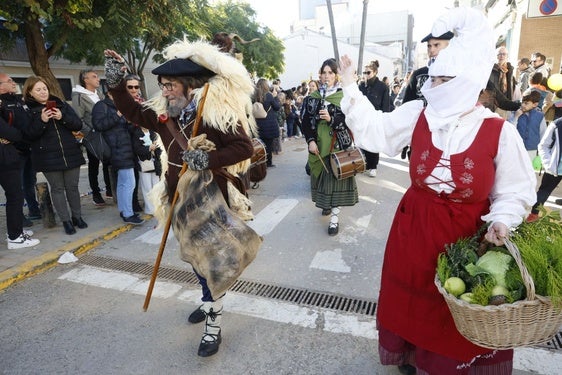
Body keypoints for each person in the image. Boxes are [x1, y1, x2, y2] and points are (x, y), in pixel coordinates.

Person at [339, 7, 536, 374]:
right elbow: (377, 132)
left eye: (446, 81)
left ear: (468, 81)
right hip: (413, 229)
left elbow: (515, 190)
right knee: (413, 301)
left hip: (467, 236)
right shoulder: (418, 113)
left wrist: (503, 220)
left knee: (457, 308)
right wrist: (350, 84)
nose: (434, 87)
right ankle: (411, 354)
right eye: (435, 78)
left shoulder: (498, 131)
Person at [103, 37, 255, 357]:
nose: (165, 90)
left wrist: (208, 160)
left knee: (210, 263)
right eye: (162, 84)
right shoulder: (163, 113)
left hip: (211, 199)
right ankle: (207, 299)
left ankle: (213, 323)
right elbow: (131, 111)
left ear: (189, 85)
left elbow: (243, 148)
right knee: (196, 260)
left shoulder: (216, 113)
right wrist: (116, 85)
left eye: (170, 84)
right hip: (178, 199)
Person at [23, 76, 87, 235]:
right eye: (38, 89)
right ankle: (65, 220)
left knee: (72, 187)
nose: (43, 92)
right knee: (57, 189)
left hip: (70, 152)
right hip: (47, 157)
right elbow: (28, 135)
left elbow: (78, 125)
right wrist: (42, 120)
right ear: (30, 93)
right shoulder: (28, 110)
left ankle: (77, 217)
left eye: (44, 88)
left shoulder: (61, 104)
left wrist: (62, 117)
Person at [301, 58, 359, 236]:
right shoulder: (313, 98)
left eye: (330, 73)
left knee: (337, 181)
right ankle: (326, 204)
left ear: (336, 75)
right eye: (324, 72)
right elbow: (305, 121)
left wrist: (331, 119)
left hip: (338, 146)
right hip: (319, 145)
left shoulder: (344, 96)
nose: (327, 76)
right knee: (322, 178)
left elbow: (351, 120)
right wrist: (310, 141)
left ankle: (334, 220)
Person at [400, 30, 454, 160]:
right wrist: (405, 141)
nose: (432, 49)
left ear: (449, 47)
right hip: (421, 132)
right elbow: (407, 105)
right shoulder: (419, 74)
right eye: (429, 46)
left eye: (437, 45)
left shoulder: (458, 75)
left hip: (448, 136)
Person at [92, 92, 144, 225]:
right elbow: (98, 125)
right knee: (129, 183)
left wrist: (131, 121)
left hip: (126, 148)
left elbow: (127, 128)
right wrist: (118, 115)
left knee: (122, 182)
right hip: (115, 149)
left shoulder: (120, 106)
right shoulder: (101, 106)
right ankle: (128, 214)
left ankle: (124, 210)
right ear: (110, 92)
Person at [0, 79, 40, 249]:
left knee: (16, 194)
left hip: (10, 153)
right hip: (5, 156)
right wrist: (12, 135)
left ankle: (15, 231)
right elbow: (11, 133)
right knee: (15, 195)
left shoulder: (15, 101)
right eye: (7, 81)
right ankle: (15, 237)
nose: (13, 82)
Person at [72, 69, 111, 205]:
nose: (98, 79)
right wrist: (89, 132)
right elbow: (78, 118)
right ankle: (96, 193)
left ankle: (109, 189)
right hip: (92, 135)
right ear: (85, 79)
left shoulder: (99, 94)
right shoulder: (79, 96)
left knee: (108, 161)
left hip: (104, 132)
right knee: (94, 164)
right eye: (94, 77)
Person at [359, 60, 391, 177]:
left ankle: (373, 166)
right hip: (363, 118)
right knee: (363, 142)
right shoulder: (362, 85)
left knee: (373, 142)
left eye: (368, 72)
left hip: (376, 118)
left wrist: (384, 120)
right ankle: (365, 164)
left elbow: (386, 105)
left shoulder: (383, 87)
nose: (366, 75)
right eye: (364, 72)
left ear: (375, 72)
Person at [526, 117, 562, 223]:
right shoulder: (557, 124)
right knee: (544, 192)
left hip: (554, 165)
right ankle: (533, 215)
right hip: (555, 167)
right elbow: (543, 146)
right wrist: (548, 164)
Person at [124, 74, 144, 213]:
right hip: (127, 143)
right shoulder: (120, 102)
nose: (133, 89)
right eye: (130, 87)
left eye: (136, 86)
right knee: (132, 177)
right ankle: (133, 202)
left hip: (143, 141)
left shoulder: (142, 102)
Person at [131, 125, 162, 216]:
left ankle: (158, 207)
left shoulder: (153, 132)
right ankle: (150, 209)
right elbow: (137, 149)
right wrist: (149, 148)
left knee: (157, 186)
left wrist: (156, 146)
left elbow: (160, 148)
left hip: (155, 164)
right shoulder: (136, 133)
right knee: (147, 187)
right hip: (144, 164)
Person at [254, 78, 281, 167]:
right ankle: (268, 163)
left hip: (257, 123)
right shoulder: (268, 95)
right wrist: (276, 96)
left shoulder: (254, 96)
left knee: (259, 144)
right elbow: (277, 107)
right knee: (268, 145)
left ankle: (259, 162)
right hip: (269, 124)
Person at [513, 90, 547, 162]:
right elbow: (511, 129)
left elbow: (543, 134)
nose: (523, 105)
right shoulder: (515, 113)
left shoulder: (540, 116)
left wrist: (541, 151)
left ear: (535, 104)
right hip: (517, 148)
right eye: (522, 102)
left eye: (526, 103)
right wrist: (516, 117)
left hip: (532, 150)